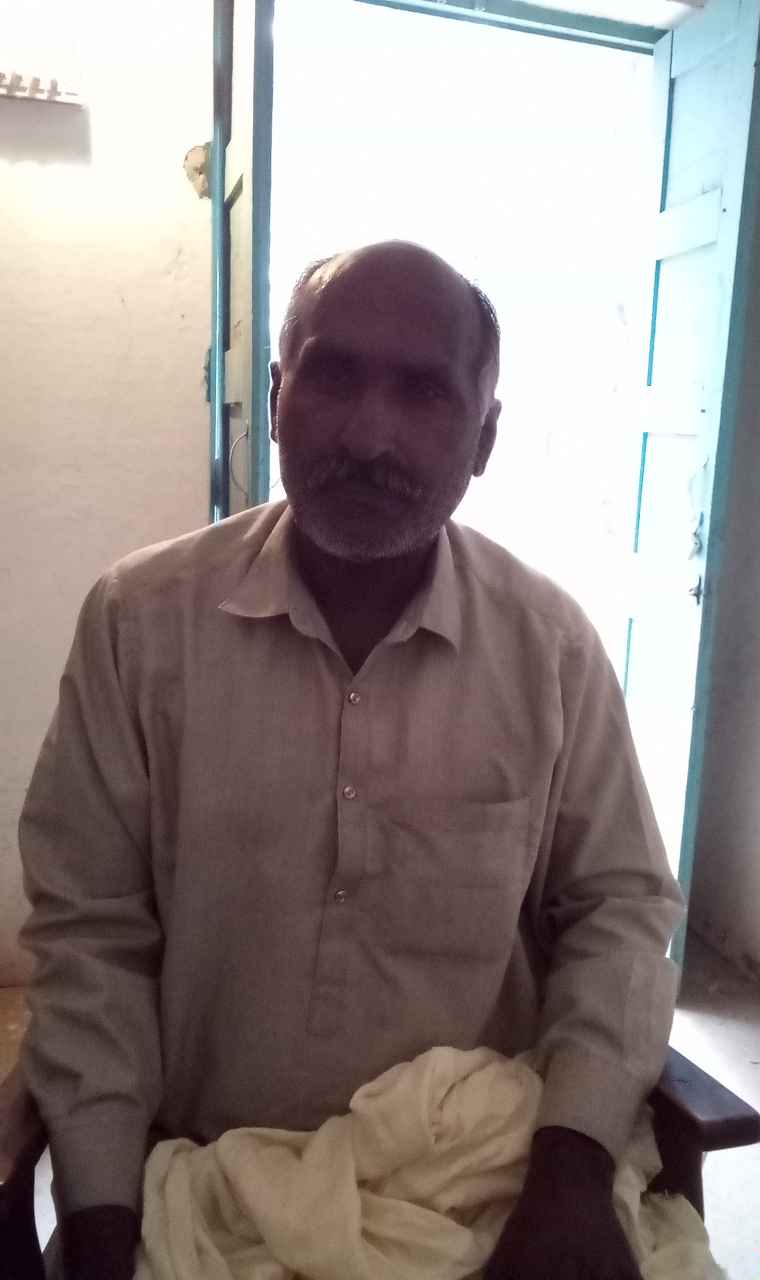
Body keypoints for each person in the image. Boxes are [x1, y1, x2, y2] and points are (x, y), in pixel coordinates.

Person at [18, 240, 685, 1280]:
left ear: (485, 437)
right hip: (201, 1189)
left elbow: (621, 910)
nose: (371, 435)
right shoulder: (139, 625)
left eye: (425, 392)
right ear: (276, 398)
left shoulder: (548, 650)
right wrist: (104, 1222)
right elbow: (91, 936)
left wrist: (570, 1171)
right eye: (332, 375)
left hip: (479, 1188)